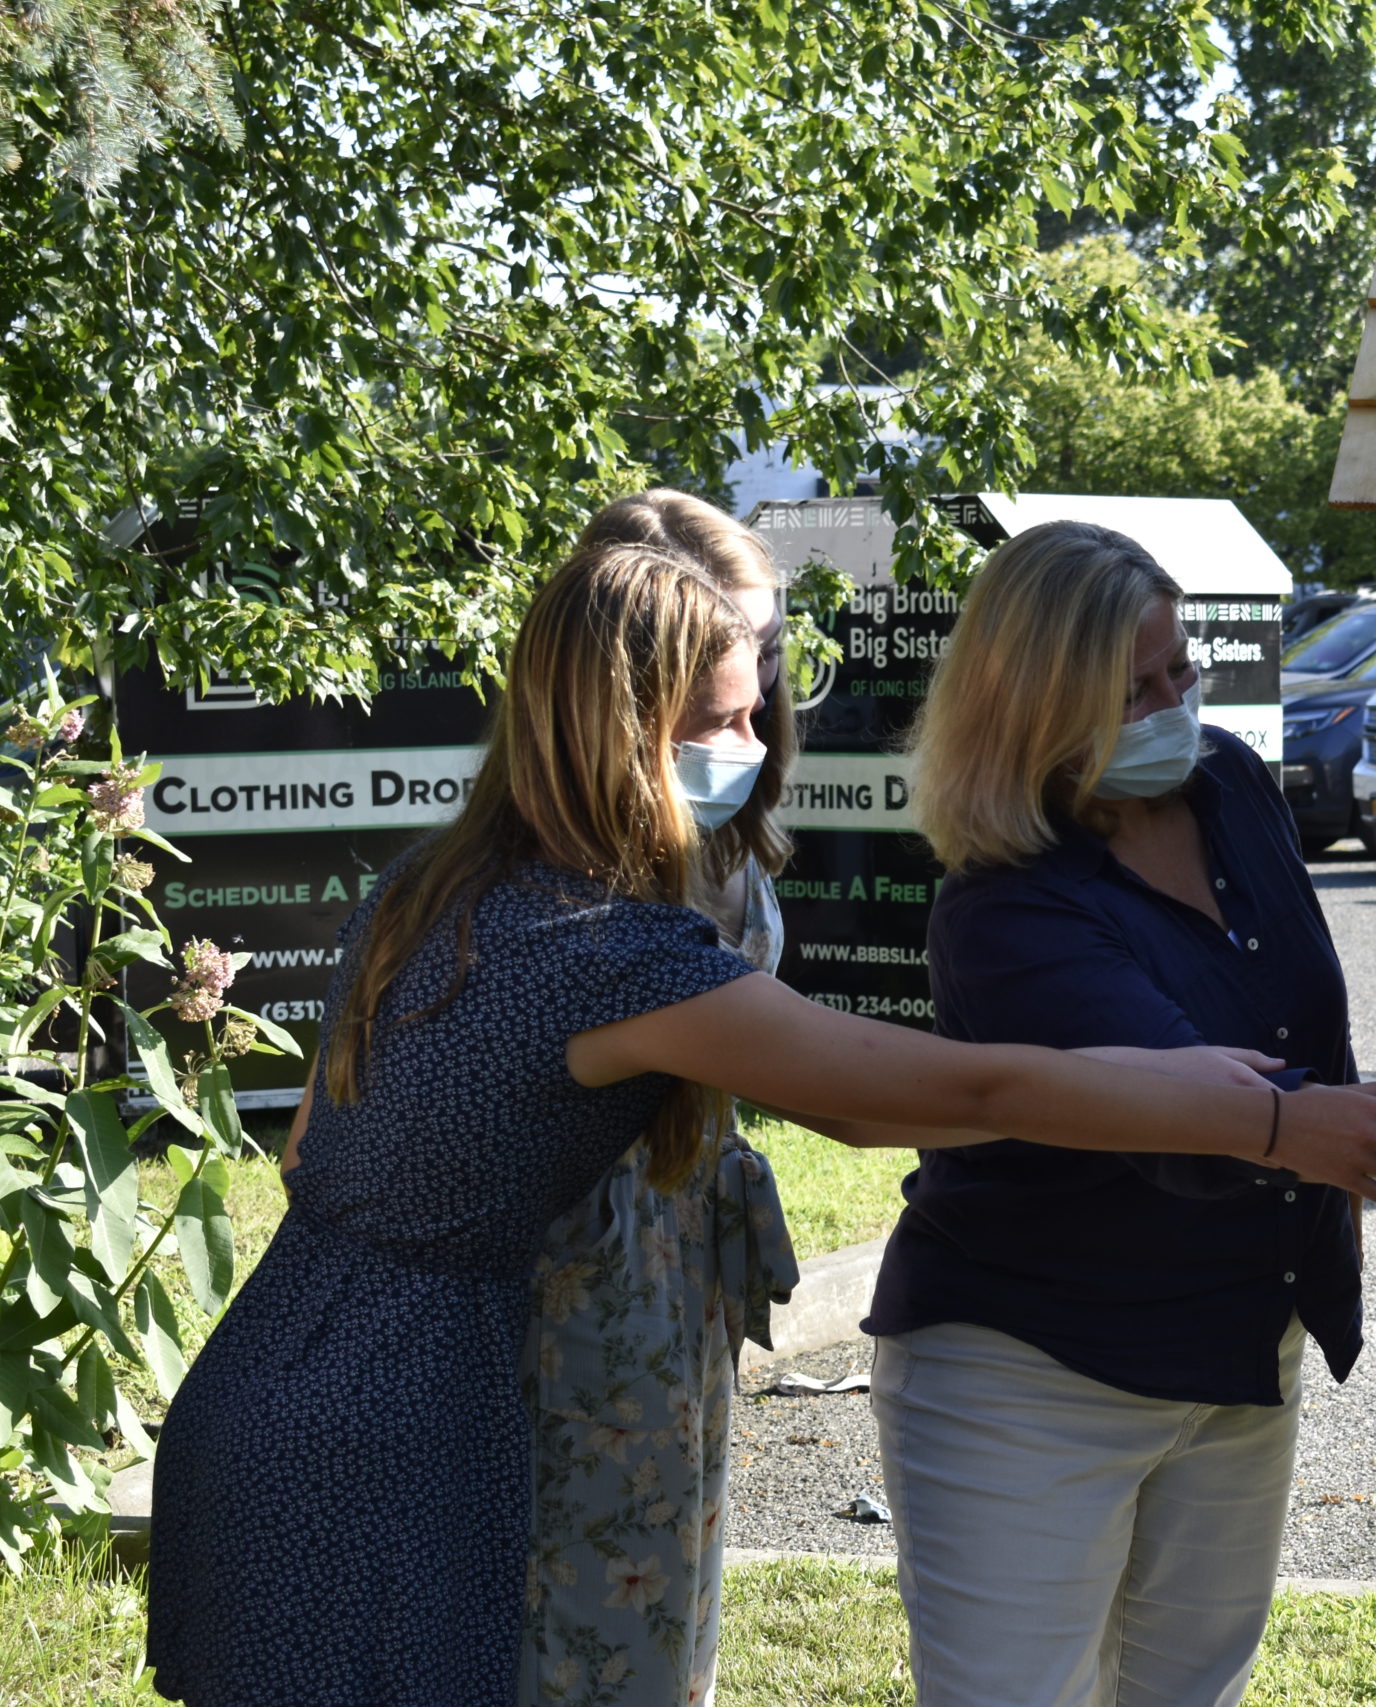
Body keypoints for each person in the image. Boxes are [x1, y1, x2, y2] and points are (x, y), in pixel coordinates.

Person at [144, 543, 1376, 1707]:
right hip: (394, 1427)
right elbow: (948, 1090)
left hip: (278, 1371)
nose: (751, 742)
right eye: (719, 718)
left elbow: (311, 1145)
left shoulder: (428, 881)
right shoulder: (614, 949)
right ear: (622, 726)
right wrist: (1267, 1121)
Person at [866, 520, 1376, 1706]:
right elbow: (1210, 1113)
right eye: (1129, 690)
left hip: (1240, 1343)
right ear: (1031, 707)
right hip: (1034, 1371)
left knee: (1191, 1688)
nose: (1169, 705)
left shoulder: (1232, 788)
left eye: (1179, 671)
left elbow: (1303, 1039)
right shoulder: (1002, 913)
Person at [516, 490, 798, 1707]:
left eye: (762, 654)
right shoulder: (570, 889)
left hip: (682, 1254)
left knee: (671, 1592)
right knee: (590, 1603)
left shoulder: (718, 827)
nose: (751, 704)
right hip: (588, 1267)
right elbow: (850, 1090)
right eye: (718, 672)